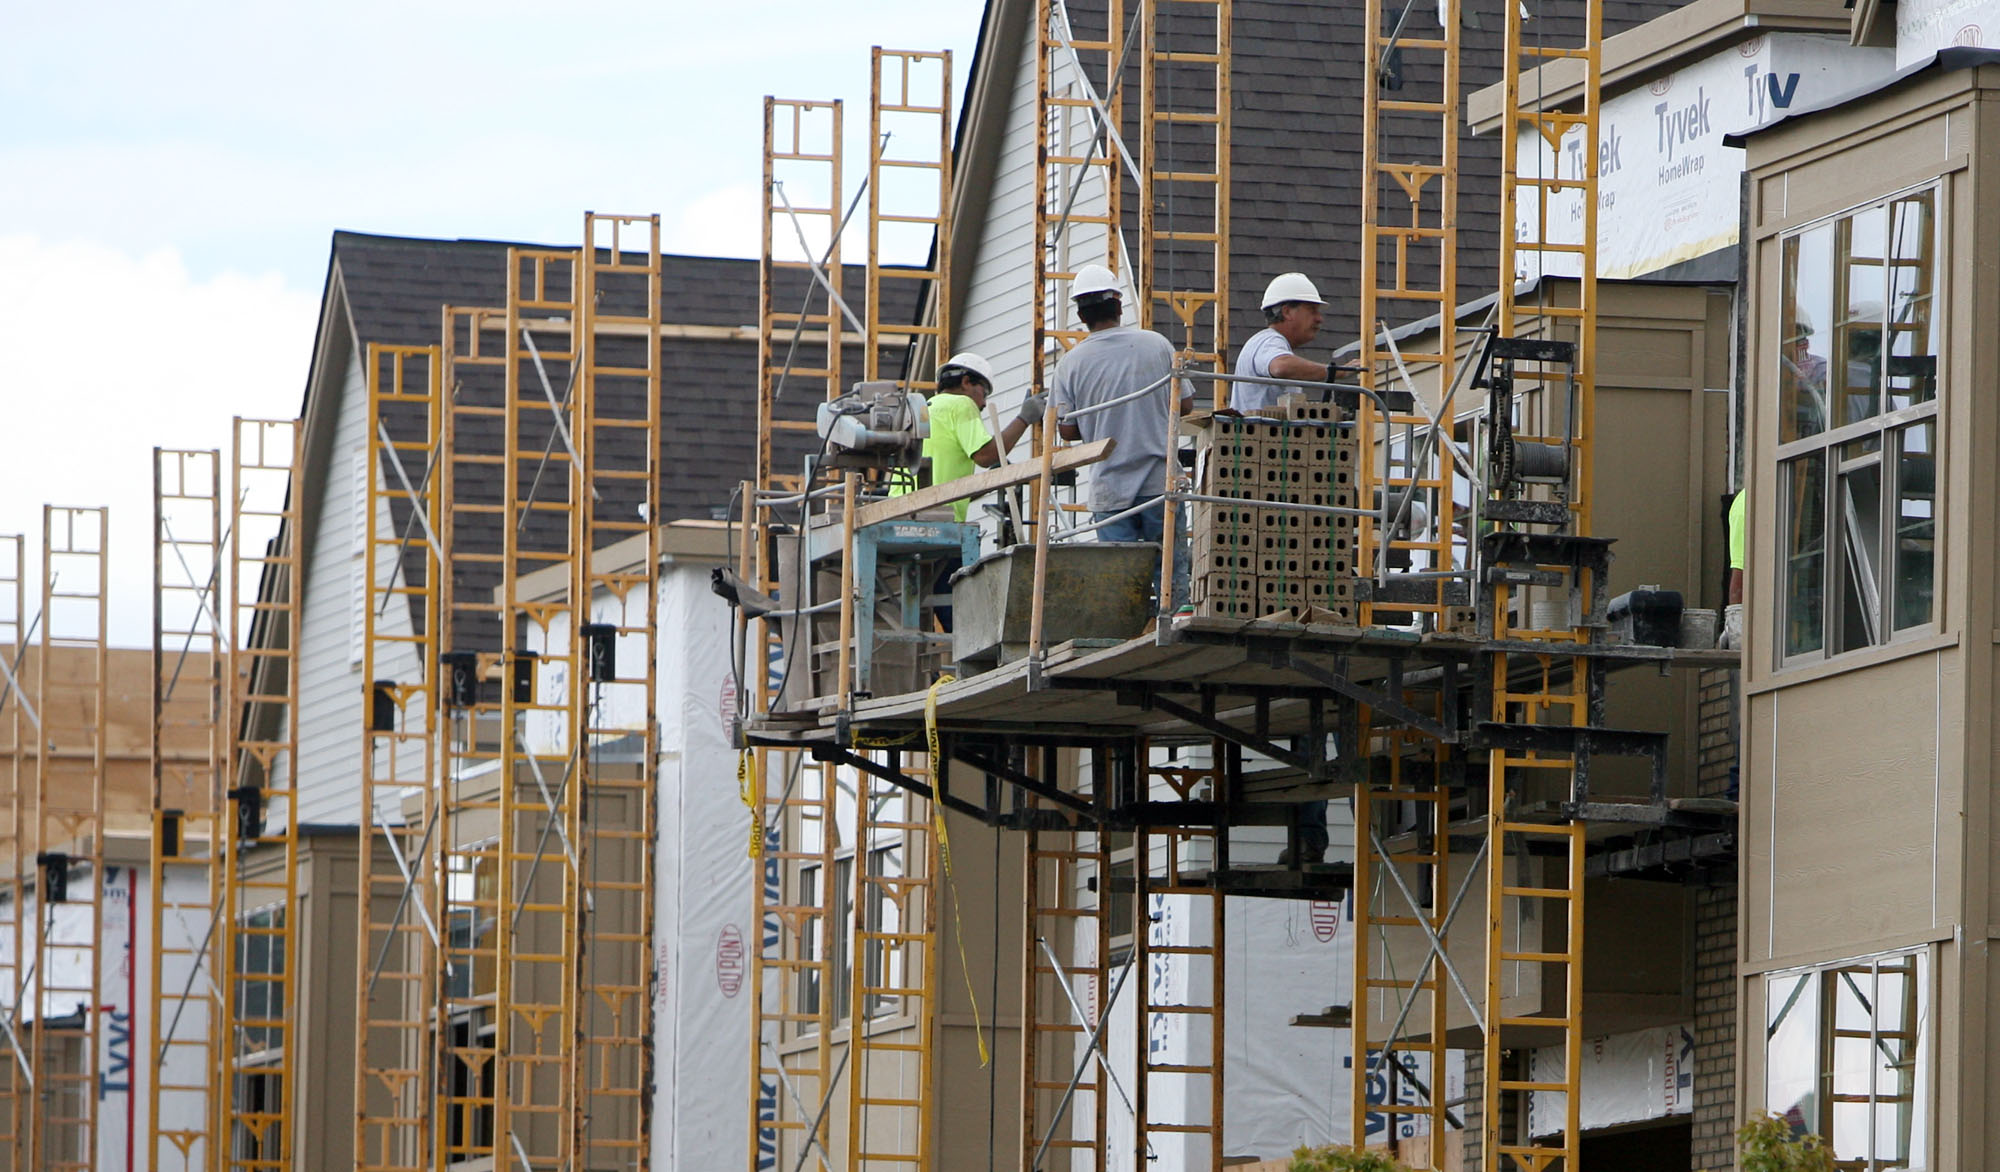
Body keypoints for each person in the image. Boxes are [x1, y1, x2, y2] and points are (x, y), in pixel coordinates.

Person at [1051, 263, 1191, 609]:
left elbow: (1066, 428)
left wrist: (1100, 415)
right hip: (1161, 482)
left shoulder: (1071, 363)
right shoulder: (1156, 344)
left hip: (1110, 490)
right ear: (1118, 305)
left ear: (1082, 314)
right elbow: (1185, 404)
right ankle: (1175, 630)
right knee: (1171, 575)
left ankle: (1129, 638)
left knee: (1123, 587)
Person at [922, 350, 1045, 523]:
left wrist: (991, 480)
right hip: (938, 521)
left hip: (901, 512)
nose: (984, 403)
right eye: (984, 392)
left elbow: (947, 490)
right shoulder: (961, 404)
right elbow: (986, 456)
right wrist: (1024, 418)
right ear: (966, 382)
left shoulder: (924, 409)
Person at [1233, 272, 1338, 414]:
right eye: (1312, 310)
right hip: (1260, 435)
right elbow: (1281, 366)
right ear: (1287, 312)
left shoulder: (1268, 342)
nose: (1319, 318)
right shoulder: (1268, 341)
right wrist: (1334, 372)